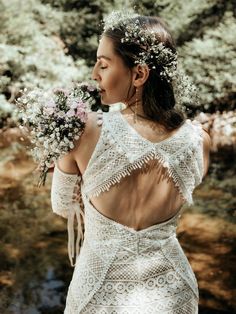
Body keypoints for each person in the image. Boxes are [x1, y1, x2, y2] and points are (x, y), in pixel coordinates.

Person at [51, 11, 211, 313]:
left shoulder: (81, 129)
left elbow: (62, 206)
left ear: (138, 74)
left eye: (104, 63)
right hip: (173, 294)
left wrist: (65, 158)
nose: (95, 73)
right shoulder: (199, 140)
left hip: (97, 293)